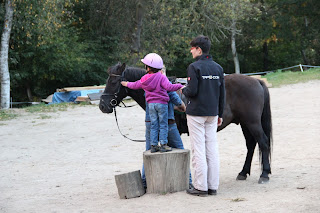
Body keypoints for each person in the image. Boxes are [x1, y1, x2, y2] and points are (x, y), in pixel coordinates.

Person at [182, 35, 225, 197]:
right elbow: (222, 94)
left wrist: (182, 89)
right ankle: (213, 186)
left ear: (199, 49)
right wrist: (220, 113)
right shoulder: (218, 68)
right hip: (213, 113)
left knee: (198, 150)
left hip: (196, 114)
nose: (191, 51)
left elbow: (192, 91)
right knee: (212, 149)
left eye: (192, 48)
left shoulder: (194, 67)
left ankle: (200, 186)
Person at [141, 68, 192, 189]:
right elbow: (180, 105)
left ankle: (144, 183)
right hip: (168, 124)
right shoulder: (166, 85)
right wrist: (178, 107)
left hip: (150, 123)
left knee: (148, 150)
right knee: (180, 148)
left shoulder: (146, 85)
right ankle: (188, 181)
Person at [121, 53, 183, 153]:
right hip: (162, 104)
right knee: (163, 124)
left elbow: (135, 85)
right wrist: (180, 86)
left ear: (148, 67)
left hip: (151, 106)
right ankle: (163, 144)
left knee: (154, 125)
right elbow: (169, 88)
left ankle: (154, 145)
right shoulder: (162, 77)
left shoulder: (144, 78)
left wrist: (126, 83)